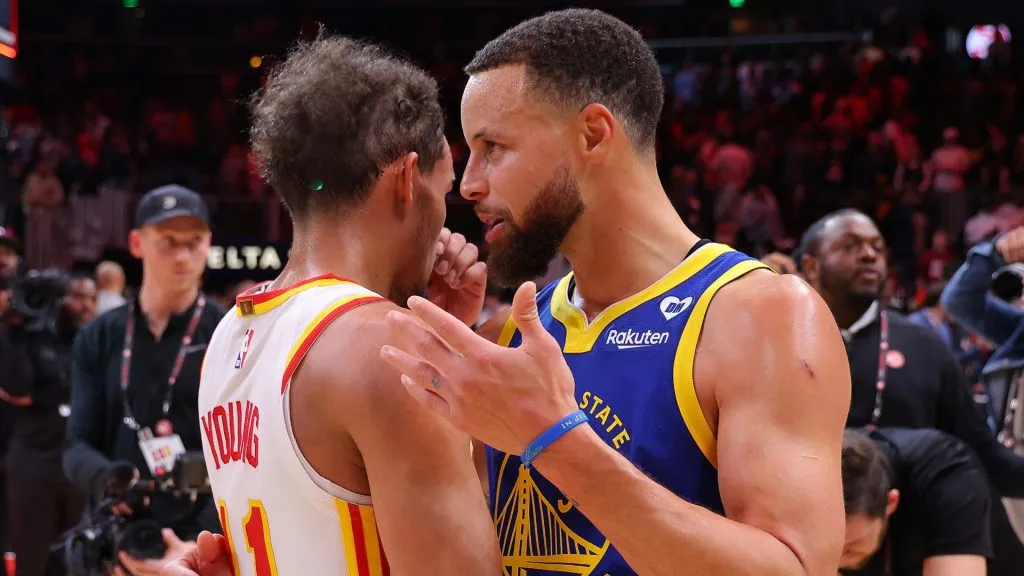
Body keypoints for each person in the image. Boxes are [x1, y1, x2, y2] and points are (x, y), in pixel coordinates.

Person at [381, 9, 848, 575]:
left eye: (494, 147)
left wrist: (554, 439)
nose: (472, 181)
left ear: (592, 134)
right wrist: (439, 354)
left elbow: (798, 569)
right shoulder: (516, 330)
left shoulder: (760, 314)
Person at [188, 35, 498, 576]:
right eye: (443, 191)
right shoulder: (388, 349)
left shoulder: (229, 337)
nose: (446, 221)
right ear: (406, 180)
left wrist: (438, 332)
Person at [797, 208, 1024, 574]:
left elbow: (984, 455)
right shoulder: (775, 345)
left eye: (877, 246)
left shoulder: (924, 344)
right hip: (800, 542)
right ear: (810, 265)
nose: (869, 254)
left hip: (909, 549)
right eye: (850, 245)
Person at [63, 185, 226, 573]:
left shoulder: (228, 333)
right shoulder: (100, 335)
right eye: (168, 241)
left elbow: (244, 456)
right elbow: (76, 445)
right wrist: (106, 478)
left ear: (209, 245)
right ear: (137, 243)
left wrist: (191, 548)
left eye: (195, 241)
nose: (184, 255)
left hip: (200, 544)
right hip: (118, 542)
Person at [0, 272, 96, 576]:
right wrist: (13, 328)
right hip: (32, 462)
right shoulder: (21, 336)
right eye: (75, 297)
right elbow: (17, 389)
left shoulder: (85, 337)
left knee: (77, 557)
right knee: (32, 557)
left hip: (75, 462)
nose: (81, 305)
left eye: (88, 298)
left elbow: (83, 389)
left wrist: (41, 397)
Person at [840, 428, 991, 575]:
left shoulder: (947, 478)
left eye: (850, 549)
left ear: (890, 502)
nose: (837, 563)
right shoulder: (825, 464)